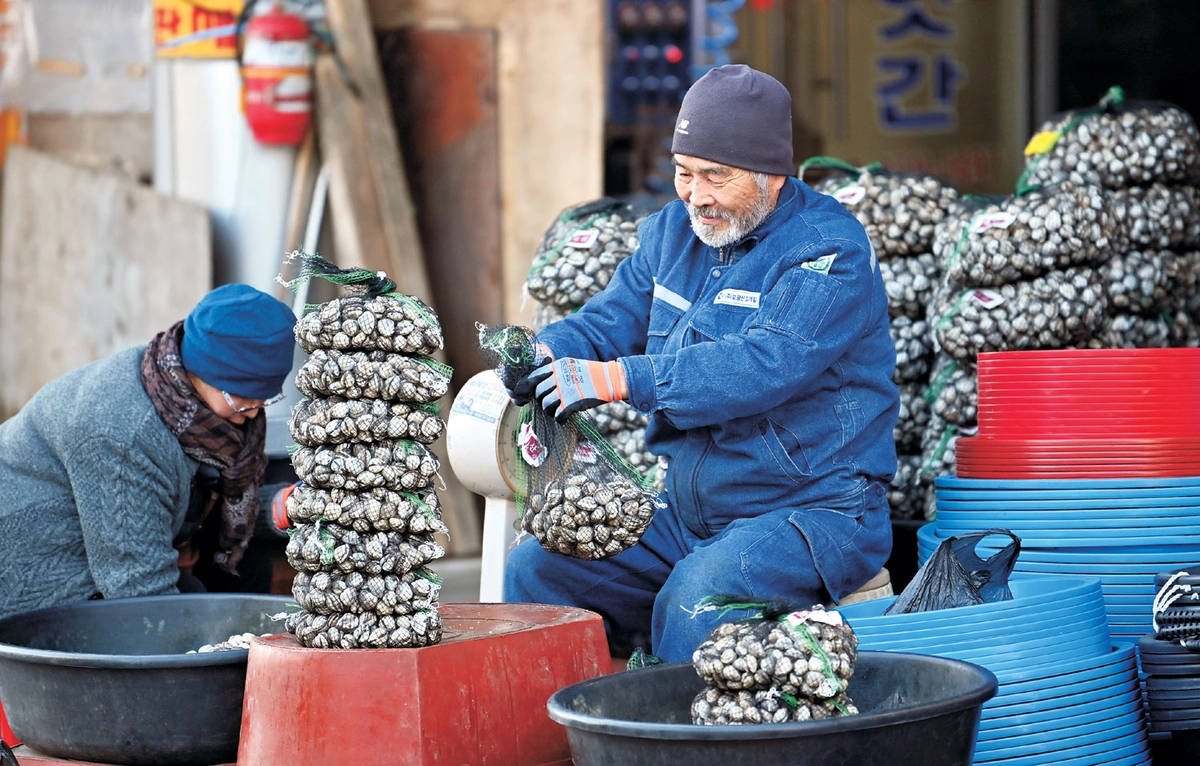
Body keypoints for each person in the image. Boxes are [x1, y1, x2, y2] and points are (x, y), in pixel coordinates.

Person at [504, 64, 899, 663]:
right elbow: (609, 320)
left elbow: (765, 362)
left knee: (695, 600)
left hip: (812, 515)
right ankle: (560, 744)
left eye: (717, 176)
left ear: (772, 173)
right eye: (685, 174)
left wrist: (619, 379)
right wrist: (546, 350)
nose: (697, 195)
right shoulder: (674, 233)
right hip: (691, 512)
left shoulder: (829, 248)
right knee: (539, 569)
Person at [0, 283, 297, 620]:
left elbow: (207, 501)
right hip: (29, 572)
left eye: (265, 398)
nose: (255, 412)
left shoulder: (183, 395)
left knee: (247, 569)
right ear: (203, 368)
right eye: (241, 397)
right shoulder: (124, 432)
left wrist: (285, 507)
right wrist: (197, 655)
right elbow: (138, 589)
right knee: (194, 605)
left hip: (106, 541)